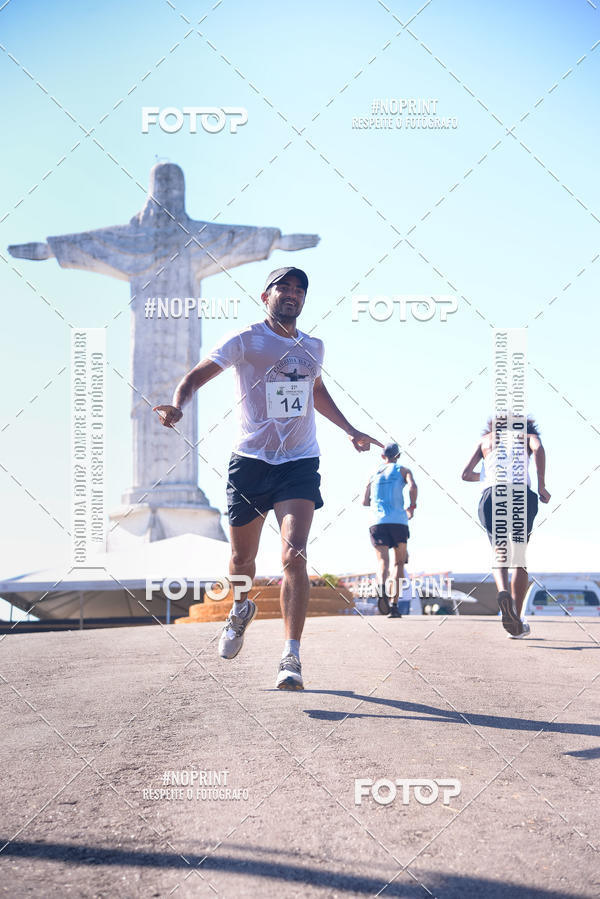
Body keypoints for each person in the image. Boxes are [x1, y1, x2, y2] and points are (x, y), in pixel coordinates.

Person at [154, 266, 382, 689]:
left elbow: (315, 391)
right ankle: (240, 609)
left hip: (298, 461)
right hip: (251, 463)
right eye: (284, 288)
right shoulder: (246, 339)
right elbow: (195, 376)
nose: (292, 294)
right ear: (266, 295)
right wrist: (177, 405)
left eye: (299, 289)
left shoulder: (313, 346)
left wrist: (350, 429)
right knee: (243, 560)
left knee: (293, 555)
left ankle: (290, 657)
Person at [462, 417, 551, 637]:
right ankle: (517, 619)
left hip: (492, 494)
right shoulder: (527, 437)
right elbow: (538, 449)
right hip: (520, 493)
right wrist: (542, 484)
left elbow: (464, 474)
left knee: (499, 550)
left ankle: (503, 592)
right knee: (519, 557)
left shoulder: (486, 440)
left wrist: (485, 476)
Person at [363, 443, 417, 618]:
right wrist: (412, 506)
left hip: (377, 522)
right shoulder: (403, 469)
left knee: (382, 563)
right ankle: (394, 605)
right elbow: (413, 487)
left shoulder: (373, 473)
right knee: (399, 563)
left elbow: (364, 501)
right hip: (398, 521)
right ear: (398, 455)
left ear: (382, 456)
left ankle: (381, 588)